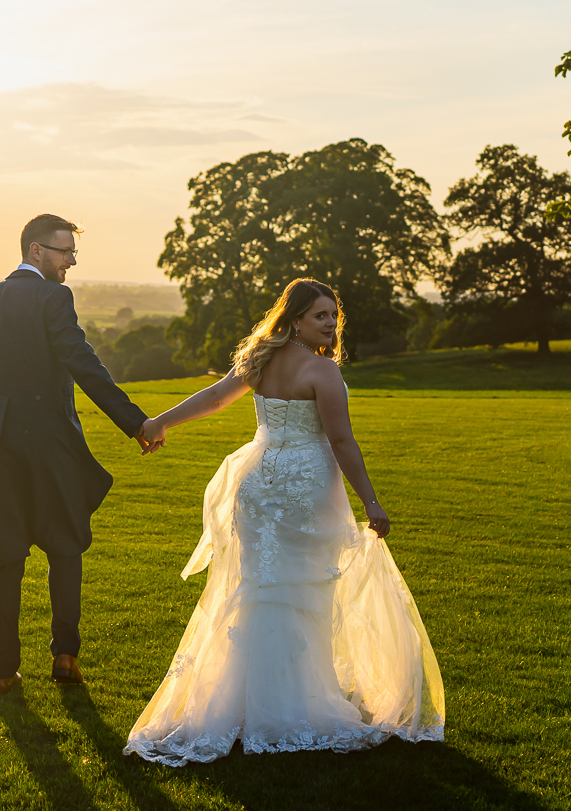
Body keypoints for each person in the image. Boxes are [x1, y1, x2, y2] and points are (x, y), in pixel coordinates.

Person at [123, 278, 444, 765]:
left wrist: (162, 422)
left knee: (259, 590)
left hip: (256, 485)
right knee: (303, 593)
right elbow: (341, 442)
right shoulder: (322, 372)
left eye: (334, 316)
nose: (331, 325)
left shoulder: (261, 361)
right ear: (295, 319)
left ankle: (240, 706)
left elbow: (213, 398)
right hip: (306, 490)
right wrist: (371, 501)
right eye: (320, 316)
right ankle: (290, 707)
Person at [0, 213, 160, 695]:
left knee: (4, 558)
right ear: (36, 251)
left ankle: (1, 670)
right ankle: (65, 657)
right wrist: (135, 421)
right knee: (65, 547)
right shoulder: (53, 296)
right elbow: (81, 361)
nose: (72, 262)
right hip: (50, 442)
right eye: (65, 252)